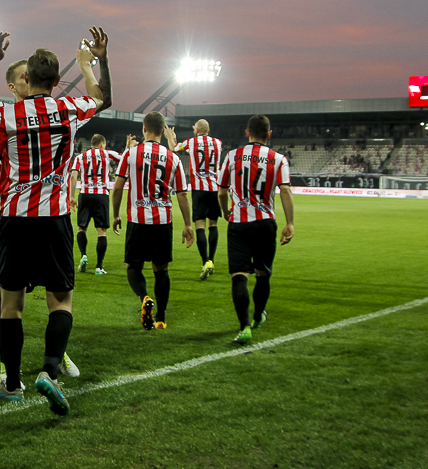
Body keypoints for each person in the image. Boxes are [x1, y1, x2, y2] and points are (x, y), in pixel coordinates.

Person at [0, 26, 112, 415]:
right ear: (58, 81)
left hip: (14, 218)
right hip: (56, 217)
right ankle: (50, 370)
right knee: (60, 300)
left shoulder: (6, 116)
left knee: (10, 306)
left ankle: (11, 383)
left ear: (26, 78)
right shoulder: (69, 109)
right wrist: (95, 61)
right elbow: (103, 98)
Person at [217, 114, 294, 345]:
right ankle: (259, 314)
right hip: (265, 224)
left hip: (239, 223)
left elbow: (221, 191)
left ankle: (244, 327)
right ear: (269, 135)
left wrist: (225, 211)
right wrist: (290, 223)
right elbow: (286, 191)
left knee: (239, 275)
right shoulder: (279, 159)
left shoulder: (232, 156)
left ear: (247, 132)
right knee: (263, 273)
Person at [112, 112, 194, 330]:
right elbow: (183, 194)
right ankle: (161, 318)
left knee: (133, 266)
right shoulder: (174, 158)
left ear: (144, 128)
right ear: (163, 129)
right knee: (161, 269)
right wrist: (188, 224)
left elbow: (118, 187)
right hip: (163, 221)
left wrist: (115, 215)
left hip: (138, 219)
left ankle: (144, 298)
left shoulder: (130, 155)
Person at [164, 119, 223, 280]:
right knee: (213, 224)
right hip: (214, 188)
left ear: (196, 130)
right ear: (208, 129)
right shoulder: (218, 143)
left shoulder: (191, 142)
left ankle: (205, 261)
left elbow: (174, 148)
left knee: (200, 226)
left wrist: (171, 136)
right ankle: (211, 259)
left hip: (199, 189)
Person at [70, 133, 136, 275]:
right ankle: (99, 267)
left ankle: (83, 255)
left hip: (85, 194)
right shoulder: (107, 154)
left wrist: (71, 196)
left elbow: (73, 175)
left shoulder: (80, 157)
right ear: (102, 144)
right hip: (101, 195)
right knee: (102, 232)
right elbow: (124, 159)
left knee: (81, 228)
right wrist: (128, 147)